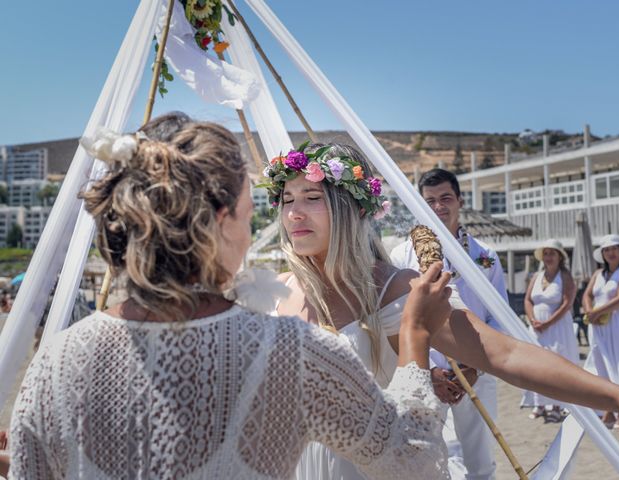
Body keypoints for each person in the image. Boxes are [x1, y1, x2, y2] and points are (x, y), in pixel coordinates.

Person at [8, 114, 456, 479]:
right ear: (222, 224)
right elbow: (410, 461)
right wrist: (415, 336)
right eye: (247, 214)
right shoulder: (292, 353)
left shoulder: (57, 361)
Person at [266, 147, 619, 479]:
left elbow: (504, 354)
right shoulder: (271, 293)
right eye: (286, 200)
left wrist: (617, 397)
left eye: (311, 197)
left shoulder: (395, 289)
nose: (294, 213)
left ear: (350, 208)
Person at [390, 168, 505, 480]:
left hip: (477, 371)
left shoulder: (486, 256)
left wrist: (475, 367)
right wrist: (430, 370)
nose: (439, 206)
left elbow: (499, 317)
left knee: (481, 463)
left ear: (459, 201)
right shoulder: (402, 256)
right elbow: (397, 319)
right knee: (437, 460)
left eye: (445, 198)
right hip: (428, 374)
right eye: (430, 201)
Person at [583, 234, 619, 428]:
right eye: (606, 249)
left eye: (614, 248)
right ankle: (609, 412)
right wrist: (589, 311)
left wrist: (596, 312)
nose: (610, 252)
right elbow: (587, 294)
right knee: (602, 366)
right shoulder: (598, 274)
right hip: (598, 326)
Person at [522, 239, 579, 422]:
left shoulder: (565, 276)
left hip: (557, 325)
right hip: (536, 325)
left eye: (552, 253)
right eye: (546, 253)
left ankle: (556, 405)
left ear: (559, 257)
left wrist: (548, 323)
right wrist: (532, 319)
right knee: (535, 364)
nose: (548, 257)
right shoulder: (537, 276)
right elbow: (528, 300)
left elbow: (567, 303)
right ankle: (539, 404)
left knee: (556, 364)